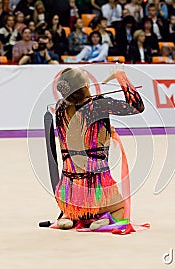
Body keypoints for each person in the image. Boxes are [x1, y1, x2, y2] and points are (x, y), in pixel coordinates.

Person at [53, 67, 144, 229]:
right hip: (97, 188)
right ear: (86, 85)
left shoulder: (59, 108)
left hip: (67, 194)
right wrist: (121, 77)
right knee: (121, 207)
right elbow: (137, 106)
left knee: (74, 198)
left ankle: (69, 216)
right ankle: (103, 217)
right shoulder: (98, 105)